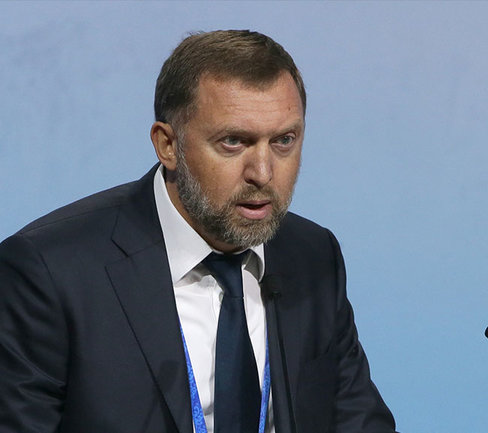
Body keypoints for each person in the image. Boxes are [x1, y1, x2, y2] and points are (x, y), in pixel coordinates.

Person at [0, 30, 396, 433]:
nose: (263, 173)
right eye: (233, 142)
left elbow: (358, 420)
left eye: (284, 141)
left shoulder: (312, 255)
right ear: (168, 145)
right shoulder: (50, 272)